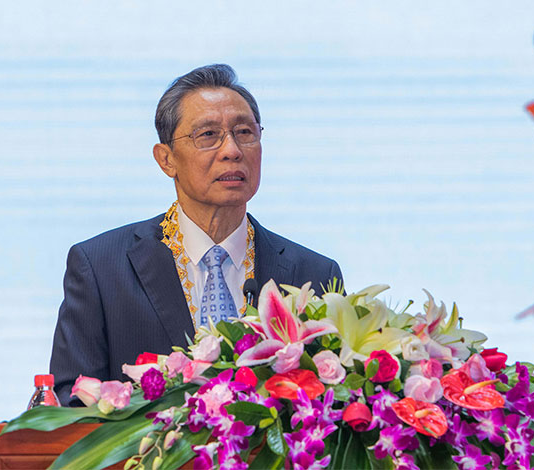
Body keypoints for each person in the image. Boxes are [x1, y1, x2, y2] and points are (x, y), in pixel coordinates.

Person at [49, 64, 342, 406]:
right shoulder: (101, 269)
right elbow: (71, 404)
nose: (232, 150)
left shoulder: (314, 274)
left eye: (244, 132)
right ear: (166, 159)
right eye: (208, 135)